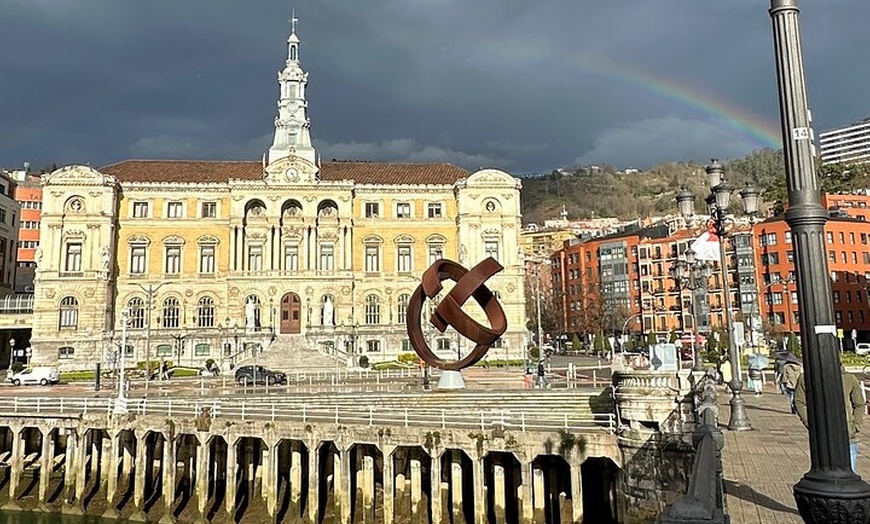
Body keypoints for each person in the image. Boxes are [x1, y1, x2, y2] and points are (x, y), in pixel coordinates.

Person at [795, 366, 864, 472]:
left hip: (847, 435)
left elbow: (859, 404)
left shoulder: (848, 378)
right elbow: (800, 402)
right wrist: (811, 423)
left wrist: (855, 425)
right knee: (823, 474)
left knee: (850, 475)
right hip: (821, 436)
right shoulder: (806, 378)